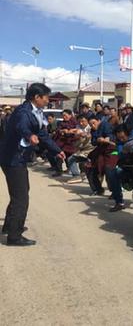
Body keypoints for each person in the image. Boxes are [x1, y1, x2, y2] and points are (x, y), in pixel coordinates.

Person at [0, 83, 65, 246]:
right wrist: (29, 135)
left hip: (17, 159)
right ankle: (14, 236)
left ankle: (9, 226)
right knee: (21, 198)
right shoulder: (24, 111)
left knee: (20, 194)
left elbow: (43, 134)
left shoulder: (37, 112)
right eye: (46, 98)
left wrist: (57, 150)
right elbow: (21, 126)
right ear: (37, 97)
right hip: (13, 159)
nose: (47, 100)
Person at [66, 115, 94, 184]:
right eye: (80, 122)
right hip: (82, 149)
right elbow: (76, 140)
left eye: (83, 121)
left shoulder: (91, 128)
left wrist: (86, 135)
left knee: (72, 159)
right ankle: (78, 175)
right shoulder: (78, 128)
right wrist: (77, 135)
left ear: (87, 121)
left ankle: (79, 175)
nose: (81, 123)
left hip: (91, 150)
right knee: (72, 159)